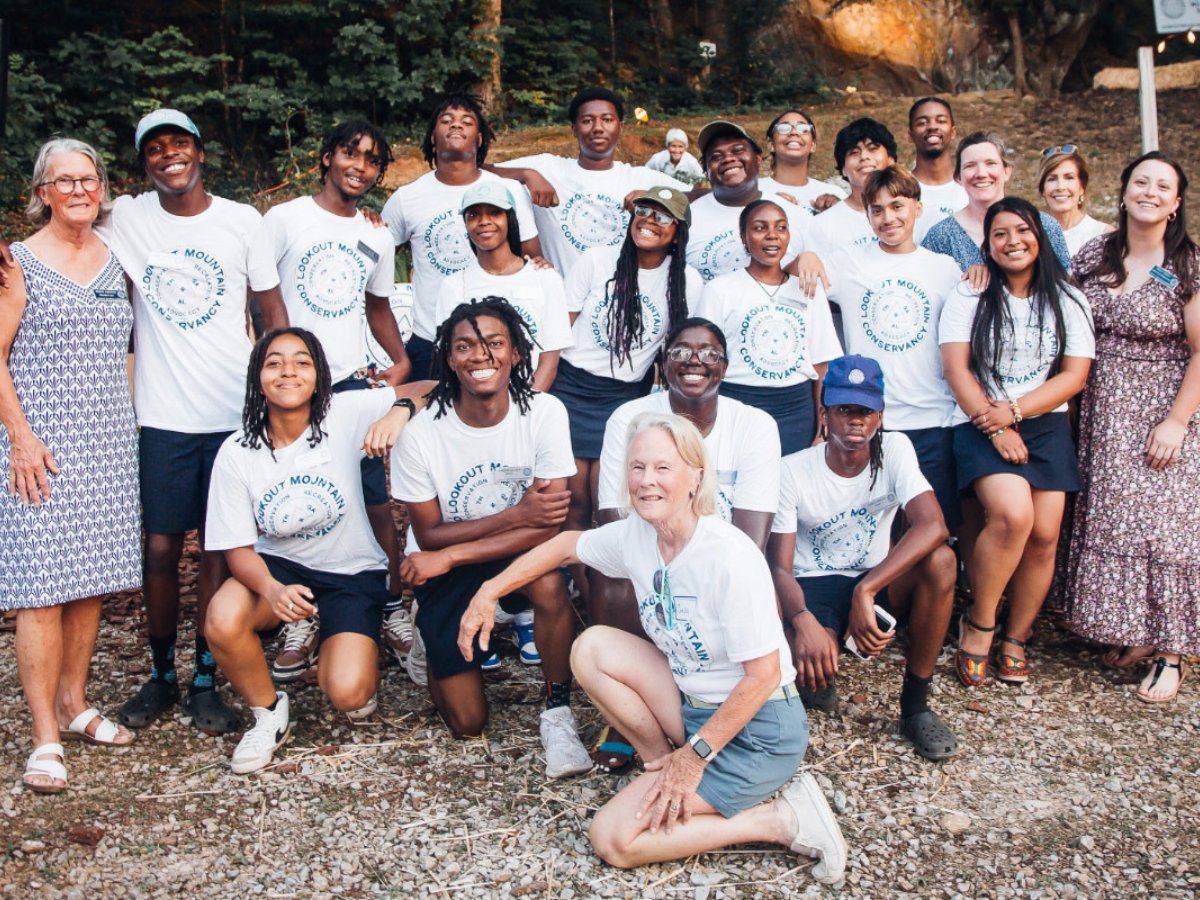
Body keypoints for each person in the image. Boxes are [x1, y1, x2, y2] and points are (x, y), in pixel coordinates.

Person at [457, 412, 847, 881]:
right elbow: (563, 547)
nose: (646, 481)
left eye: (663, 468)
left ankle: (780, 820)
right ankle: (658, 763)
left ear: (695, 477)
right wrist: (489, 592)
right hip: (693, 706)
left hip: (759, 733)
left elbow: (763, 676)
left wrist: (695, 757)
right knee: (592, 648)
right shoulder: (639, 536)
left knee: (614, 839)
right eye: (637, 467)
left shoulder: (729, 556)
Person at [97, 109, 285, 735]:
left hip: (232, 414)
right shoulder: (127, 218)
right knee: (159, 545)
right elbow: (71, 206)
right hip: (163, 415)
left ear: (201, 153)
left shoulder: (241, 221)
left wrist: (287, 392)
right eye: (154, 149)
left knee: (217, 549)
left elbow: (272, 314)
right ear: (143, 162)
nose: (168, 156)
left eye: (179, 144)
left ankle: (206, 678)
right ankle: (160, 674)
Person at [203, 328, 429, 773]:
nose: (289, 370)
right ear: (258, 377)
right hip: (281, 567)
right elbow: (237, 550)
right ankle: (269, 713)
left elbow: (431, 385)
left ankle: (339, 640)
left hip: (350, 570)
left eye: (302, 361)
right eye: (274, 362)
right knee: (222, 617)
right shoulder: (237, 452)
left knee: (348, 693)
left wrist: (398, 412)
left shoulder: (344, 411)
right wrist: (269, 589)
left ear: (320, 376)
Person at [391, 297, 593, 778]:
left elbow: (548, 524)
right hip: (444, 565)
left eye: (494, 343)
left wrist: (464, 554)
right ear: (448, 358)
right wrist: (516, 513)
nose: (480, 356)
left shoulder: (543, 411)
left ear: (516, 353)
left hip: (488, 555)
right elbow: (428, 533)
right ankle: (430, 633)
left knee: (547, 584)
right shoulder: (421, 434)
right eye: (464, 346)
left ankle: (556, 708)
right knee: (467, 725)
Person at [0, 138, 140, 793]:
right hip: (40, 450)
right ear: (43, 192)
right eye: (64, 181)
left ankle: (74, 702)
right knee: (41, 590)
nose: (79, 190)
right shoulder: (19, 262)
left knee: (90, 581)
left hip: (106, 443)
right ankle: (44, 738)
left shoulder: (118, 256)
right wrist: (20, 438)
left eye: (88, 179)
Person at [254, 120, 412, 683]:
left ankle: (390, 598)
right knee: (297, 498)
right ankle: (304, 609)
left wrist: (401, 361)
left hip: (350, 382)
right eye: (351, 153)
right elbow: (268, 304)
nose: (359, 166)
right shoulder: (285, 218)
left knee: (373, 498)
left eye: (372, 160)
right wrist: (280, 373)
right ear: (326, 157)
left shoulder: (376, 232)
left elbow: (378, 307)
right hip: (294, 382)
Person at [590, 318, 782, 772]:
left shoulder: (755, 424)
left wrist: (693, 570)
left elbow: (753, 536)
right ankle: (629, 715)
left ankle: (714, 711)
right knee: (614, 581)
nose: (695, 361)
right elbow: (612, 515)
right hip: (651, 551)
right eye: (680, 352)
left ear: (725, 367)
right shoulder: (630, 418)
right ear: (662, 365)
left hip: (721, 563)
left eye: (709, 353)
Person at [1059, 151, 1200, 703]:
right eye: (1141, 181)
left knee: (1167, 529)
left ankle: (1172, 650)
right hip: (1102, 411)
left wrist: (1177, 422)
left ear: (1177, 202)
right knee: (1119, 521)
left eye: (1163, 185)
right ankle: (1139, 630)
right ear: (1122, 192)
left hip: (1160, 409)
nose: (1150, 191)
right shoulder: (1096, 252)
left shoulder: (1188, 264)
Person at [768, 357, 959, 758]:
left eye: (865, 411)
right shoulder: (792, 471)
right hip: (813, 584)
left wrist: (866, 591)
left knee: (941, 561)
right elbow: (779, 567)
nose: (855, 422)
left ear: (880, 415)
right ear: (824, 414)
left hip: (873, 577)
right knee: (807, 670)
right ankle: (819, 666)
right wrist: (803, 624)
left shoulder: (895, 449)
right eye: (844, 411)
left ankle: (915, 706)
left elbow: (933, 525)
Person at [939, 197, 1094, 687]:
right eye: (1000, 234)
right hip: (980, 418)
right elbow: (955, 369)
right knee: (1013, 516)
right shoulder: (971, 293)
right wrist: (997, 423)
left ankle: (1017, 636)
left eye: (1022, 231)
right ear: (988, 244)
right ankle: (981, 621)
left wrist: (1020, 412)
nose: (1013, 242)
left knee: (1046, 535)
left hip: (1044, 421)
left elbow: (1074, 376)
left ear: (1040, 236)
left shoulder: (1068, 297)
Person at [552, 186, 700, 604]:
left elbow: (681, 346)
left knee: (612, 503)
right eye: (644, 211)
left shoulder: (686, 279)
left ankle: (620, 590)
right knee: (574, 502)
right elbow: (559, 327)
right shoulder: (597, 261)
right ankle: (586, 590)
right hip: (572, 387)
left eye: (663, 217)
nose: (649, 222)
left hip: (627, 398)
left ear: (678, 232)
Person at [824, 167, 965, 529]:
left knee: (933, 531)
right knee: (878, 531)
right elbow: (799, 277)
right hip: (872, 421)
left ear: (917, 207)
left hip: (933, 419)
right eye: (877, 210)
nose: (888, 218)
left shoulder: (944, 268)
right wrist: (805, 260)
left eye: (897, 206)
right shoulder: (849, 262)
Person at [383, 92, 541, 380]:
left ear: (479, 139)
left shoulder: (509, 190)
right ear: (433, 137)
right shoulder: (407, 198)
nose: (456, 126)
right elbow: (376, 264)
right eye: (446, 121)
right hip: (429, 340)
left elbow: (533, 259)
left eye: (466, 121)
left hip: (495, 342)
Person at [695, 199, 841, 454]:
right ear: (743, 238)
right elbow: (705, 364)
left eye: (781, 228)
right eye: (760, 228)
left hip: (795, 410)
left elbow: (822, 365)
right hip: (737, 404)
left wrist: (823, 424)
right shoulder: (720, 290)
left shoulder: (808, 289)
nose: (772, 235)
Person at [493, 87, 691, 275]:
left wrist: (655, 200)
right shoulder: (547, 167)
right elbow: (481, 170)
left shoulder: (641, 177)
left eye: (607, 120)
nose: (598, 128)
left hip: (622, 299)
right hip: (560, 299)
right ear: (574, 129)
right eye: (587, 121)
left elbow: (699, 195)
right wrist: (527, 174)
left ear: (620, 127)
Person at [436, 181, 572, 392]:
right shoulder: (454, 285)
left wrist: (525, 408)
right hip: (474, 404)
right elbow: (453, 359)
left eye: (494, 213)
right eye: (474, 215)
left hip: (530, 400)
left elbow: (549, 360)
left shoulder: (545, 278)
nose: (484, 222)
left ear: (510, 219)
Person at [922, 132, 1072, 272]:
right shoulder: (941, 237)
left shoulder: (1044, 226)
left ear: (1007, 171)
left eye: (990, 163)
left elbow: (1065, 288)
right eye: (970, 166)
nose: (981, 173)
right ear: (959, 178)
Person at [687, 120, 810, 283]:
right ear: (705, 170)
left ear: (758, 159)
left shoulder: (797, 216)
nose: (728, 159)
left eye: (738, 151)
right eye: (716, 156)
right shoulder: (686, 219)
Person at [806, 118, 897, 260]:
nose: (864, 157)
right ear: (843, 169)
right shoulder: (824, 224)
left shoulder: (912, 214)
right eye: (854, 152)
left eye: (873, 149)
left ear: (891, 160)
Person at [758, 110, 847, 214]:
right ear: (771, 144)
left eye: (804, 129)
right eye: (784, 128)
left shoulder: (835, 194)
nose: (794, 132)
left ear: (813, 145)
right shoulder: (755, 191)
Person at [908, 98, 969, 242]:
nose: (932, 127)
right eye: (922, 123)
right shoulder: (901, 187)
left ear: (953, 132)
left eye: (941, 121)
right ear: (910, 135)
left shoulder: (970, 185)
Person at [1037, 146, 1114, 258]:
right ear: (1043, 190)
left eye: (1069, 178)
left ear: (1082, 187)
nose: (1060, 187)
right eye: (1052, 179)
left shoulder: (1103, 235)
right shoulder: (1031, 235)